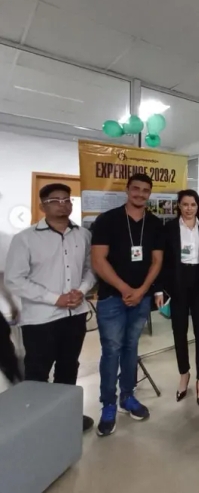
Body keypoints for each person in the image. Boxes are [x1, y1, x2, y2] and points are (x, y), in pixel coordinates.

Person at [5, 183, 96, 431]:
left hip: (75, 315)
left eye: (67, 200)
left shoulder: (83, 235)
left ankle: (65, 418)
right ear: (42, 205)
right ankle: (37, 425)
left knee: (69, 367)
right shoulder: (25, 239)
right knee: (38, 372)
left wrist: (82, 290)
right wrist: (54, 298)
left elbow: (90, 269)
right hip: (41, 320)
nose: (62, 204)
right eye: (55, 200)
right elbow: (14, 279)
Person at [91, 173, 164, 437]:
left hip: (140, 299)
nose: (140, 194)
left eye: (145, 190)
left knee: (131, 348)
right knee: (111, 350)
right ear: (127, 189)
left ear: (150, 194)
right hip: (112, 298)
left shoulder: (154, 223)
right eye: (136, 189)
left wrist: (141, 291)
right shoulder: (107, 220)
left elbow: (157, 261)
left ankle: (127, 397)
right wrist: (125, 289)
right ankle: (108, 405)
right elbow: (98, 260)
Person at [156, 190, 199, 407]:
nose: (189, 208)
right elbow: (161, 261)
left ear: (197, 206)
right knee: (179, 332)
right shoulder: (170, 228)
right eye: (185, 204)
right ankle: (184, 374)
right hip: (178, 284)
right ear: (179, 206)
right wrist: (159, 290)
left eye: (193, 204)